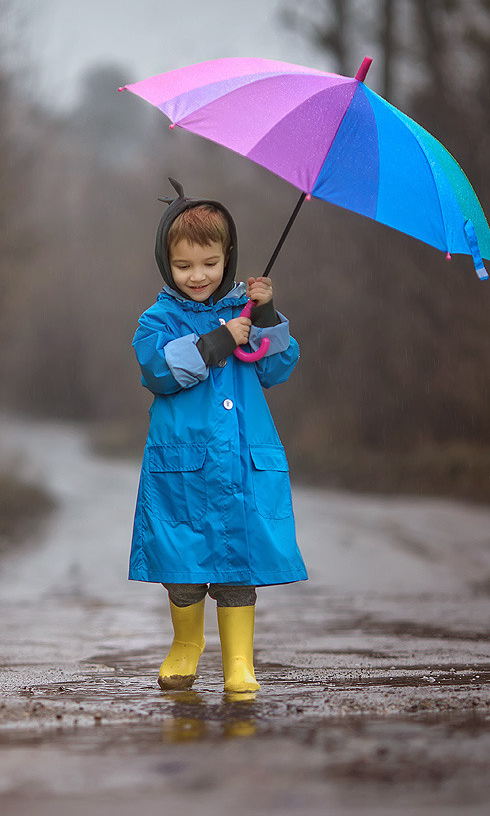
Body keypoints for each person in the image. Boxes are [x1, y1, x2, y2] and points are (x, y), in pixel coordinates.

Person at [130, 178, 306, 694]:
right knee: (182, 568)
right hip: (183, 466)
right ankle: (187, 644)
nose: (198, 276)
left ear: (227, 258)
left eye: (209, 264)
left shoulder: (246, 314)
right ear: (167, 264)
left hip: (240, 464)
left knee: (237, 568)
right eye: (184, 266)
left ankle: (239, 661)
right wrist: (217, 342)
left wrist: (266, 313)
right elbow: (157, 370)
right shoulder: (157, 319)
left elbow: (277, 369)